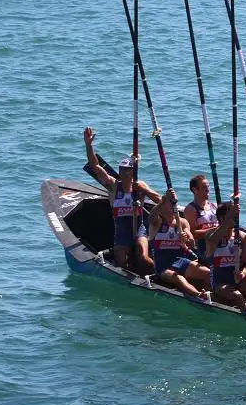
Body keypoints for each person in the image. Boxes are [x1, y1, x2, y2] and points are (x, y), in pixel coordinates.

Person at [83, 127, 161, 270]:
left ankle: (159, 272)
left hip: (139, 229)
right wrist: (89, 145)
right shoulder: (113, 186)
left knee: (143, 257)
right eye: (122, 170)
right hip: (121, 232)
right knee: (121, 264)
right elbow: (95, 166)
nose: (124, 173)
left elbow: (161, 202)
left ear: (133, 172)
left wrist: (146, 191)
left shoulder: (140, 186)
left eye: (127, 171)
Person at [147, 190, 211, 300]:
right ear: (164, 203)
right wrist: (164, 200)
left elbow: (191, 242)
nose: (173, 205)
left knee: (208, 273)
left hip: (180, 260)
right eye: (170, 202)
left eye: (174, 202)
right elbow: (151, 216)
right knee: (178, 278)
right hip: (162, 265)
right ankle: (199, 296)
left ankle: (212, 297)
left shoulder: (182, 222)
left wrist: (186, 238)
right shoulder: (157, 221)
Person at [204, 200, 246, 315]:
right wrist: (229, 217)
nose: (235, 217)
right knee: (237, 295)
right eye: (231, 215)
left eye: (235, 215)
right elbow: (213, 240)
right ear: (222, 218)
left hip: (239, 279)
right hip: (219, 282)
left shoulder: (242, 236)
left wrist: (243, 273)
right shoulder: (210, 235)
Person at [183, 174, 218, 259]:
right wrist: (215, 230)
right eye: (204, 187)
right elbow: (193, 234)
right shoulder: (191, 209)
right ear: (195, 190)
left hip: (220, 245)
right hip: (205, 249)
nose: (208, 190)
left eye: (208, 187)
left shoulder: (215, 206)